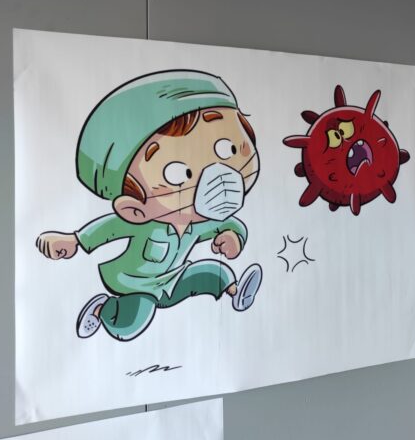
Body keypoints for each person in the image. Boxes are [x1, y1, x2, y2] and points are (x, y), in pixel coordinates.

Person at [36, 70, 263, 341]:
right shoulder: (143, 224)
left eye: (228, 150)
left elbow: (230, 224)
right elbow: (107, 229)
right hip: (136, 285)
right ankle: (102, 310)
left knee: (216, 272)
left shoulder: (199, 223)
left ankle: (236, 293)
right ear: (134, 210)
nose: (218, 175)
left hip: (175, 279)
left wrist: (233, 236)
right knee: (131, 324)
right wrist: (75, 240)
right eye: (179, 174)